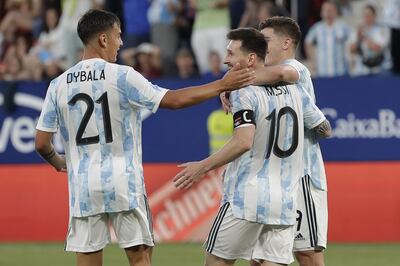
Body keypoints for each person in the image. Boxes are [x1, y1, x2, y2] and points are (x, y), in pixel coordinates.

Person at [34, 9, 254, 266]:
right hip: (123, 182)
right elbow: (173, 100)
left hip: (83, 185)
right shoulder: (122, 76)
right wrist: (221, 84)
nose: (121, 42)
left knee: (88, 258)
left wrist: (57, 161)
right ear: (103, 39)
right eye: (118, 35)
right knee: (139, 258)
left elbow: (41, 142)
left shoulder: (58, 84)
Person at [173, 27, 330, 266]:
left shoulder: (244, 92)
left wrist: (201, 167)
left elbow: (243, 141)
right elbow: (324, 128)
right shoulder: (297, 92)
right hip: (285, 199)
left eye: (231, 53)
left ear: (250, 59)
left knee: (217, 260)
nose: (225, 59)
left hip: (247, 196)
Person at [221, 17, 331, 266]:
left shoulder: (295, 68)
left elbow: (284, 73)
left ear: (286, 43)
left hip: (302, 175)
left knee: (307, 252)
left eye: (266, 40)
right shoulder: (261, 84)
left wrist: (229, 84)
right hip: (273, 181)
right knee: (260, 257)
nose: (261, 45)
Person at [304, 0, 352, 77]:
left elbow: (353, 41)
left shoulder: (343, 27)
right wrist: (312, 61)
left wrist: (350, 58)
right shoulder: (317, 28)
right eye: (326, 10)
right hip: (323, 72)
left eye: (330, 10)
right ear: (322, 12)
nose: (328, 13)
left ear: (335, 11)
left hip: (340, 71)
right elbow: (308, 42)